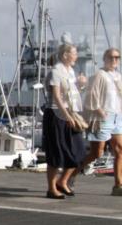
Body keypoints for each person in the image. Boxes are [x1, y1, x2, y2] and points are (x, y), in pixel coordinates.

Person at [42, 43, 87, 199]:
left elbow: (70, 95)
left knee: (79, 151)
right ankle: (51, 188)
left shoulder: (70, 71)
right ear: (65, 55)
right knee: (56, 152)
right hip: (56, 115)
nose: (76, 56)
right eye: (74, 53)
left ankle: (63, 181)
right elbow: (56, 97)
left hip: (69, 113)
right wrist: (67, 116)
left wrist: (80, 86)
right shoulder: (56, 72)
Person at [81, 48, 122, 195]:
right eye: (111, 57)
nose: (114, 60)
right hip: (103, 116)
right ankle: (71, 173)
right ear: (104, 58)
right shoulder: (99, 75)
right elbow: (90, 96)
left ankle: (118, 185)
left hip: (117, 116)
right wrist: (99, 111)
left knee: (119, 150)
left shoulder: (118, 76)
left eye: (117, 57)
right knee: (97, 153)